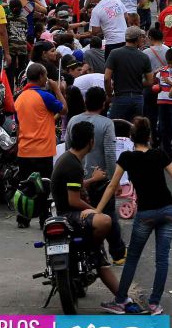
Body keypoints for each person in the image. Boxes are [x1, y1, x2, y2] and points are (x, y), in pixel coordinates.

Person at [96, 116, 172, 315]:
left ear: (131, 137)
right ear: (150, 137)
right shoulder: (160, 154)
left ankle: (120, 300)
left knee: (133, 257)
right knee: (162, 259)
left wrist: (98, 210)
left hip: (145, 213)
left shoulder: (127, 158)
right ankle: (154, 303)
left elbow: (112, 186)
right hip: (167, 210)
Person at [49, 121, 123, 300]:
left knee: (102, 219)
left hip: (64, 211)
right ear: (91, 142)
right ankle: (91, 251)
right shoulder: (73, 165)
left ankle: (93, 254)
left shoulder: (68, 158)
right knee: (105, 221)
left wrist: (92, 179)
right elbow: (73, 199)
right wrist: (94, 211)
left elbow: (73, 186)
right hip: (69, 214)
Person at [14, 63, 64, 228]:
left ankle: (23, 218)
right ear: (42, 77)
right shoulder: (46, 96)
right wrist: (57, 89)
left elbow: (20, 124)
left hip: (25, 149)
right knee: (43, 187)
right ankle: (44, 219)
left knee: (25, 187)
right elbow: (64, 109)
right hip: (43, 150)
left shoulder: (20, 97)